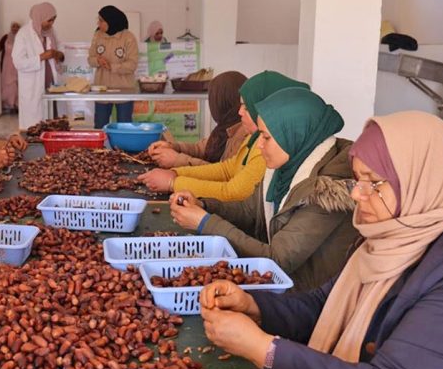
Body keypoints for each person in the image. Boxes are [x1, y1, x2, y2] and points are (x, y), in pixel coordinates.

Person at [198, 111, 443, 369]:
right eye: (358, 180)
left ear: (422, 182)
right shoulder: (385, 239)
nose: (358, 195)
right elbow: (321, 304)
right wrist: (254, 306)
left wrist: (264, 350)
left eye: (374, 183)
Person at [170, 88, 358, 291]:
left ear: (294, 135)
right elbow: (249, 211)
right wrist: (203, 205)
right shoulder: (286, 166)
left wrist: (204, 223)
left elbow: (277, 259)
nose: (259, 145)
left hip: (308, 301)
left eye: (266, 138)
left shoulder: (328, 192)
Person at [140, 70, 309, 202]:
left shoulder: (264, 144)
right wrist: (176, 171)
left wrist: (173, 182)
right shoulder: (254, 136)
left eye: (247, 107)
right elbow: (226, 169)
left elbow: (232, 192)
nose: (239, 112)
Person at [147, 71, 249, 168]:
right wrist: (173, 147)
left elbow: (222, 173)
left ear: (222, 102)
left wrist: (177, 160)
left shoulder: (243, 134)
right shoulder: (225, 128)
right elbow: (201, 149)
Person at [13, 2, 63, 130]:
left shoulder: (52, 32)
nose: (51, 23)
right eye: (49, 20)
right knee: (34, 126)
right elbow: (18, 62)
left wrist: (57, 54)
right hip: (33, 84)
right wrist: (41, 57)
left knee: (53, 120)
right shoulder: (23, 34)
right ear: (40, 17)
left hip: (50, 82)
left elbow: (60, 49)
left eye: (54, 20)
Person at [88, 5, 139, 128]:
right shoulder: (98, 35)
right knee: (100, 126)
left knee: (124, 127)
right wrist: (98, 61)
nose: (98, 23)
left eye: (101, 20)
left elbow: (132, 65)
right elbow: (90, 59)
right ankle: (100, 148)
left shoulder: (128, 37)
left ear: (111, 21)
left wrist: (112, 67)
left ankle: (124, 148)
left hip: (124, 89)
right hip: (101, 88)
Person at [0, 21, 21, 112]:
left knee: (15, 83)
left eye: (17, 27)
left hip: (16, 64)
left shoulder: (21, 38)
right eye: (13, 26)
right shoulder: (5, 37)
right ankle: (7, 104)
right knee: (6, 83)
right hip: (6, 63)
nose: (15, 28)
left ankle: (15, 104)